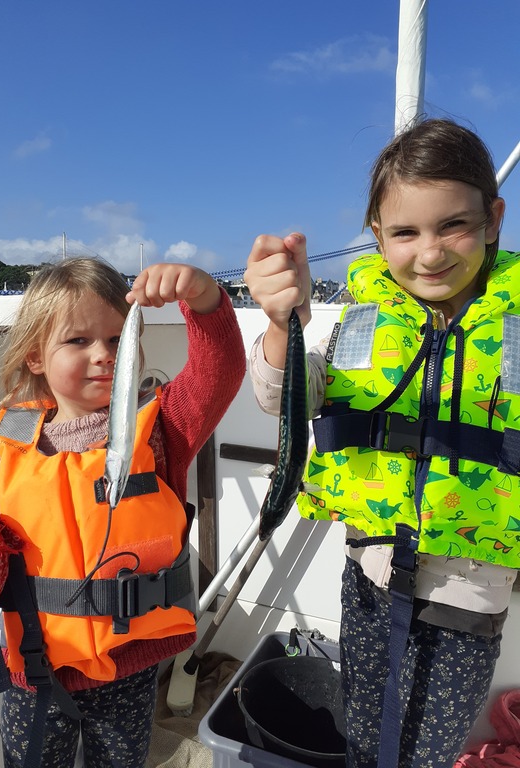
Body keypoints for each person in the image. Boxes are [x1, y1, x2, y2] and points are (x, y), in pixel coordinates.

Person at [244, 118, 519, 768]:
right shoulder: (361, 319)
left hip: (468, 592)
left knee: (429, 752)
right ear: (377, 237)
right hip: (367, 574)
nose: (430, 253)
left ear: (493, 219)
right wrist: (284, 324)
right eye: (405, 232)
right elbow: (290, 394)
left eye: (453, 225)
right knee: (365, 736)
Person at [0, 256, 245, 768]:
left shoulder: (160, 428)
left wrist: (205, 299)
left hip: (127, 667)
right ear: (36, 356)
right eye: (79, 341)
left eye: (117, 339)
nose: (104, 355)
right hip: (34, 669)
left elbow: (221, 372)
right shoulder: (9, 445)